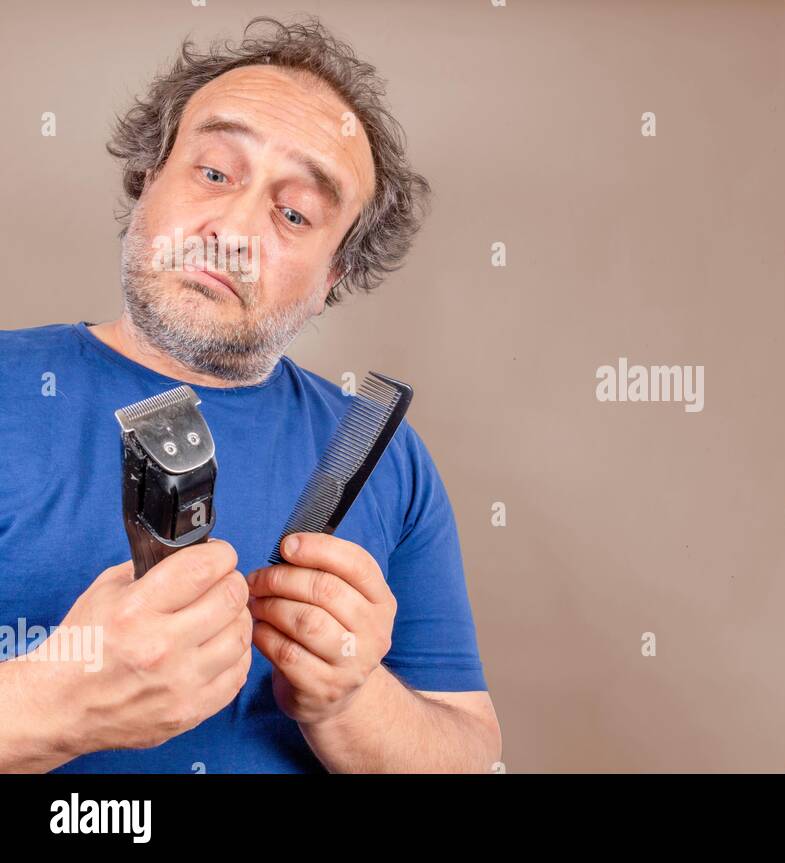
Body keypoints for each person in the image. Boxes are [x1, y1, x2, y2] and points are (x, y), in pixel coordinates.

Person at [0, 16, 501, 773]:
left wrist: (349, 701)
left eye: (294, 212)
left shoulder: (387, 461)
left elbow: (472, 756)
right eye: (213, 172)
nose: (233, 229)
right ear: (147, 179)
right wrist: (51, 702)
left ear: (333, 276)